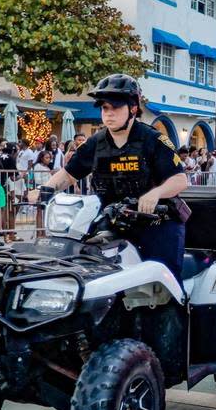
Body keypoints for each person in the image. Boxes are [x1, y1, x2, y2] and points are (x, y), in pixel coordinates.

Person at [29, 74, 189, 280]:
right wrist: (46, 190)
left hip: (157, 224)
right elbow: (69, 173)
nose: (109, 114)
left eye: (115, 107)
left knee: (163, 284)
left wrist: (156, 193)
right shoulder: (96, 142)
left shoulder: (153, 139)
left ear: (133, 108)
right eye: (105, 108)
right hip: (113, 220)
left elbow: (179, 180)